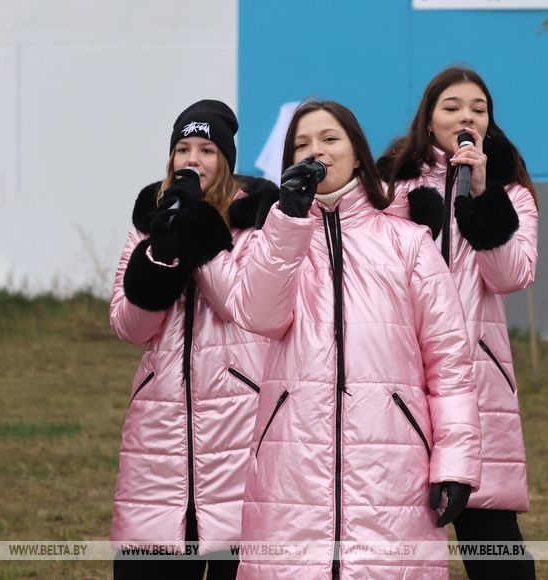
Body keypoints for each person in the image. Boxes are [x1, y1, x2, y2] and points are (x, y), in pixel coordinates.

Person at [227, 100, 482, 579]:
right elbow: (259, 314)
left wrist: (456, 462)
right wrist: (288, 221)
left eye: (329, 139)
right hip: (292, 465)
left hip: (391, 467)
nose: (316, 151)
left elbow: (449, 362)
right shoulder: (274, 240)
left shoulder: (407, 242)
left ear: (358, 155)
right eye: (301, 144)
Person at [378, 66, 538, 579]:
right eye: (451, 106)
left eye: (478, 108)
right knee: (394, 539)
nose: (465, 115)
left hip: (476, 387)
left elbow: (512, 275)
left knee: (494, 547)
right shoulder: (390, 187)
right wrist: (413, 230)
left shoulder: (512, 194)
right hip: (399, 381)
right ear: (428, 119)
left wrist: (482, 199)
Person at [109, 99, 279, 579]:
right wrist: (160, 254)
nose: (192, 159)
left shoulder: (257, 223)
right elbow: (129, 325)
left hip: (236, 423)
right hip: (158, 427)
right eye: (182, 148)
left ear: (225, 160)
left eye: (206, 149)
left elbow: (244, 307)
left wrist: (203, 235)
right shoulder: (151, 219)